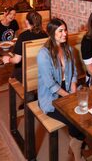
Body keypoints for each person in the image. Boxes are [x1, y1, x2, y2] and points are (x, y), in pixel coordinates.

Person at [37, 18, 85, 161]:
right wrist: (68, 97)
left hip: (67, 90)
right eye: (61, 31)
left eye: (65, 30)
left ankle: (75, 143)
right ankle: (77, 151)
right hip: (50, 96)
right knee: (74, 119)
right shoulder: (43, 54)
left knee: (84, 112)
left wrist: (74, 89)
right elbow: (50, 84)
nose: (65, 34)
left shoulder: (68, 49)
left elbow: (74, 73)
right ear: (52, 33)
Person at [2, 11, 48, 82]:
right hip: (42, 69)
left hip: (25, 72)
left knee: (11, 77)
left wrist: (8, 59)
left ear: (26, 21)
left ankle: (24, 91)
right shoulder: (45, 34)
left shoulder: (23, 36)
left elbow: (16, 60)